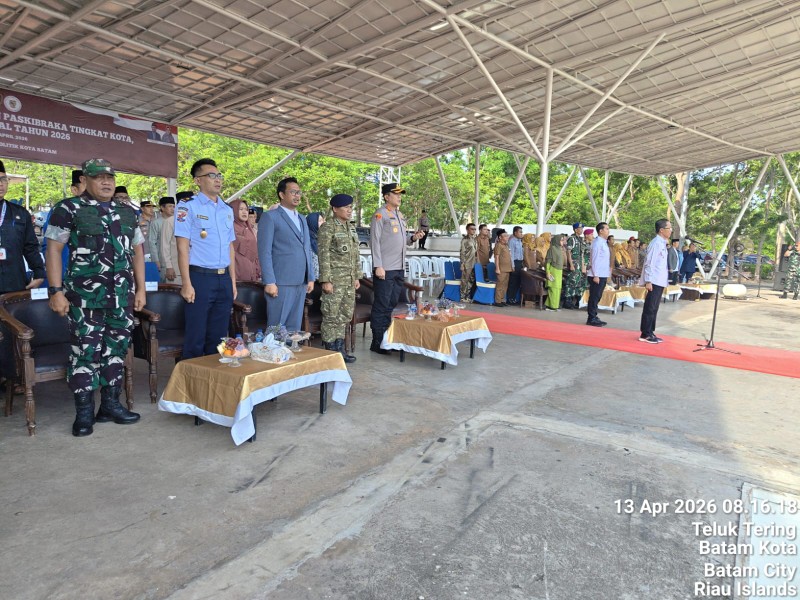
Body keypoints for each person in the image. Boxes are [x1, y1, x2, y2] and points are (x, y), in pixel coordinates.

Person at [44, 158, 145, 437]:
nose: (106, 182)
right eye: (99, 177)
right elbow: (53, 250)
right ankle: (84, 414)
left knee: (116, 351)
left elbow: (137, 251)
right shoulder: (68, 208)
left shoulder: (127, 212)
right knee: (84, 353)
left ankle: (110, 406)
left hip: (121, 297)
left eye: (110, 177)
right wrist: (56, 291)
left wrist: (141, 289)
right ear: (84, 180)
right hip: (84, 299)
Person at [175, 158, 237, 359]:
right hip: (200, 278)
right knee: (196, 337)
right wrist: (186, 283)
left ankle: (213, 377)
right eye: (211, 175)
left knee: (218, 339)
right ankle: (190, 378)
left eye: (219, 175)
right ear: (198, 180)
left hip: (223, 279)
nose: (217, 179)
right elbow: (182, 247)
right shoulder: (188, 207)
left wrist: (232, 282)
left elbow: (230, 248)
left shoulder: (227, 210)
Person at [0, 160, 46, 390]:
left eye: (3, 179)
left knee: (12, 331)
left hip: (13, 280)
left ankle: (14, 377)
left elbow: (31, 246)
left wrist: (39, 271)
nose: (0, 184)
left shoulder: (18, 213)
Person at [369, 183, 424, 354]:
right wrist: (378, 265)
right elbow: (375, 241)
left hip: (399, 267)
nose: (399, 197)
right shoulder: (380, 214)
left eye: (400, 194)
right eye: (396, 194)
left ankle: (386, 339)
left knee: (391, 304)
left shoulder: (399, 215)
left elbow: (400, 240)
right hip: (385, 268)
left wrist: (413, 238)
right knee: (382, 305)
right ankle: (377, 342)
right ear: (387, 197)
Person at [257, 177, 314, 331]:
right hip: (280, 282)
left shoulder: (302, 218)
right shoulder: (270, 217)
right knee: (277, 328)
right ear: (282, 195)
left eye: (299, 192)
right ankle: (274, 348)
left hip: (301, 281)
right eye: (293, 192)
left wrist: (310, 277)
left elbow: (307, 249)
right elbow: (264, 251)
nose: (297, 196)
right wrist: (269, 281)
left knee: (293, 329)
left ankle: (289, 348)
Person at [318, 194, 360, 363]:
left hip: (349, 281)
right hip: (334, 281)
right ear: (335, 209)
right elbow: (323, 255)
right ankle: (330, 353)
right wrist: (326, 280)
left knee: (344, 316)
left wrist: (356, 277)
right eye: (346, 207)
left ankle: (340, 350)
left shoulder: (351, 228)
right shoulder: (328, 227)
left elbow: (355, 255)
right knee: (331, 316)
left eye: (351, 207)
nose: (349, 210)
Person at [639, 219, 671, 344]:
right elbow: (649, 263)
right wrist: (648, 280)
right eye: (669, 228)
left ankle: (650, 331)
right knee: (650, 307)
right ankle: (645, 333)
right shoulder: (656, 243)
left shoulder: (662, 243)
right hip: (654, 280)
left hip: (659, 280)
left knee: (654, 308)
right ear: (661, 230)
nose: (671, 230)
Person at [160, 191, 189, 285]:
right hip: (176, 270)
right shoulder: (170, 221)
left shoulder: (196, 220)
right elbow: (164, 245)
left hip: (193, 269)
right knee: (176, 293)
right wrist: (168, 266)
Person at [230, 198, 261, 282]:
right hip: (236, 277)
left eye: (246, 209)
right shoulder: (229, 228)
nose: (244, 212)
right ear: (233, 211)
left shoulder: (249, 229)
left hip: (252, 276)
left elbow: (255, 253)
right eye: (240, 209)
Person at [587, 222, 610, 327]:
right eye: (607, 229)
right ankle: (591, 318)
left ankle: (594, 315)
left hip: (602, 274)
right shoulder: (597, 243)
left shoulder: (603, 242)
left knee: (598, 296)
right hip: (596, 275)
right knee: (594, 297)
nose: (608, 231)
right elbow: (595, 260)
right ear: (600, 231)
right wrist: (596, 275)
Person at [148, 196, 172, 281]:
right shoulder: (156, 223)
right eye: (170, 206)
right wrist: (156, 260)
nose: (172, 209)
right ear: (162, 207)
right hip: (162, 260)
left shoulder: (177, 222)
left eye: (174, 206)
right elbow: (152, 242)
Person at [564, 222, 586, 309]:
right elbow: (568, 252)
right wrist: (571, 264)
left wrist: (583, 266)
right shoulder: (572, 239)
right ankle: (567, 301)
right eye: (580, 228)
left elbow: (582, 254)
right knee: (571, 282)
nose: (582, 230)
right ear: (576, 230)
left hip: (579, 264)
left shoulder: (580, 239)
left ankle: (576, 301)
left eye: (582, 228)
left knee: (578, 282)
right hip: (574, 263)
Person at [492, 229, 512, 307]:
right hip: (501, 269)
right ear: (500, 237)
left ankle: (502, 299)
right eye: (505, 236)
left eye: (507, 236)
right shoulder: (498, 245)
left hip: (507, 269)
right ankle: (498, 301)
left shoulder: (506, 245)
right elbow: (496, 257)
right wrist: (497, 268)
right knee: (500, 285)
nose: (507, 237)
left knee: (505, 285)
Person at [459, 223, 477, 302]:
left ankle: (467, 296)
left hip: (474, 262)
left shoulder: (474, 239)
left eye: (474, 229)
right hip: (467, 263)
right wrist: (462, 263)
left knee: (471, 280)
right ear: (467, 230)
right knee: (465, 280)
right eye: (472, 229)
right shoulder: (465, 239)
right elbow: (462, 252)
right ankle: (462, 297)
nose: (473, 230)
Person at [506, 226, 523, 304]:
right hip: (514, 262)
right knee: (513, 282)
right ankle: (509, 298)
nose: (521, 233)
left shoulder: (520, 241)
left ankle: (513, 298)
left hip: (519, 263)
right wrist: (512, 265)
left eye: (521, 232)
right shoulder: (512, 241)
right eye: (520, 232)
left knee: (518, 281)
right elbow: (511, 255)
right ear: (515, 233)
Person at [306, 211, 324, 281]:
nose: (323, 222)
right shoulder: (307, 241)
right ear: (312, 223)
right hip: (311, 281)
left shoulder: (320, 238)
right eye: (320, 221)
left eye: (323, 220)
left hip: (322, 279)